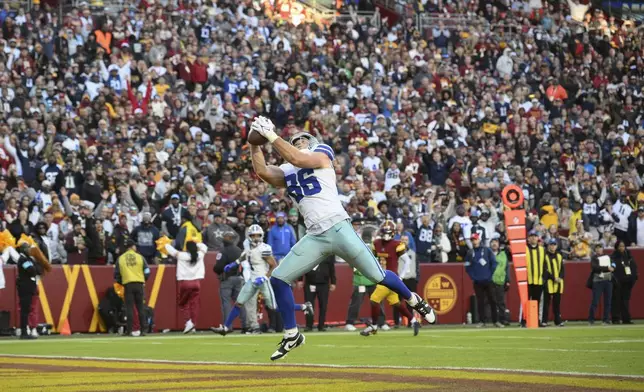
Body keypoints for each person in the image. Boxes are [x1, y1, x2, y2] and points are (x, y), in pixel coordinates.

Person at [250, 117, 435, 360]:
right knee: (278, 279)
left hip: (338, 226)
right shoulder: (287, 169)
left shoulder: (321, 152)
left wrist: (272, 136)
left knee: (376, 275)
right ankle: (292, 334)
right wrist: (255, 142)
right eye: (294, 140)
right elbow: (263, 171)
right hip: (315, 235)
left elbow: (298, 158)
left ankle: (413, 299)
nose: (298, 142)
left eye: (302, 139)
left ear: (313, 141)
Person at [212, 225, 313, 335]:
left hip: (263, 280)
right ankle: (225, 327)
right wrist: (234, 263)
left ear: (262, 236)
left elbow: (274, 265)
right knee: (239, 303)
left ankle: (304, 306)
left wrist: (264, 277)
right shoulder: (247, 244)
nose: (255, 237)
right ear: (249, 236)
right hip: (252, 279)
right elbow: (245, 255)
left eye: (258, 235)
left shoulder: (264, 248)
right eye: (253, 235)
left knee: (274, 307)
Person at [360, 220, 420, 337]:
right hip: (383, 277)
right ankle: (413, 321)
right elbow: (373, 258)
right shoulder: (376, 243)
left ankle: (374, 326)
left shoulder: (396, 244)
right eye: (384, 232)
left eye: (388, 232)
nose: (386, 235)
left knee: (374, 300)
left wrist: (401, 277)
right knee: (396, 303)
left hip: (389, 278)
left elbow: (407, 261)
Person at [165, 240, 207, 334]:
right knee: (194, 304)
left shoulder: (181, 255)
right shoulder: (200, 255)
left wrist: (167, 243)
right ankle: (193, 324)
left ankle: (188, 322)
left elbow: (170, 250)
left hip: (185, 282)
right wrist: (197, 243)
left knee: (183, 303)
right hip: (197, 283)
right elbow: (204, 247)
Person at [114, 239, 150, 336]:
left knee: (129, 308)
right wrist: (144, 279)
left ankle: (129, 330)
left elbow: (116, 275)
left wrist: (123, 282)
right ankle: (143, 330)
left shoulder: (120, 258)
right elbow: (147, 270)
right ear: (132, 247)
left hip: (128, 284)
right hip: (139, 284)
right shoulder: (140, 257)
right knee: (141, 308)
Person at [465, 233, 502, 328]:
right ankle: (482, 321)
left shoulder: (487, 250)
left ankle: (496, 320)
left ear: (479, 240)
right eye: (472, 240)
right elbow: (467, 267)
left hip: (488, 280)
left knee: (493, 300)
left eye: (475, 239)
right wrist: (473, 277)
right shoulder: (470, 252)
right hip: (477, 282)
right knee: (480, 302)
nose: (474, 241)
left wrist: (490, 274)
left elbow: (494, 263)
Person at [212, 232, 246, 331]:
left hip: (227, 279)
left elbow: (218, 267)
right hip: (238, 278)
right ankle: (246, 325)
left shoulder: (223, 251)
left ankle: (227, 326)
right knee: (240, 302)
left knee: (226, 303)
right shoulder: (239, 250)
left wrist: (216, 270)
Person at [299, 254, 336, 332]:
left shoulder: (328, 254)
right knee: (308, 305)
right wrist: (300, 279)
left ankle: (321, 325)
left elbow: (331, 268)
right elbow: (302, 266)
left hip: (324, 284)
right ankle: (309, 325)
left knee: (323, 305)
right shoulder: (308, 254)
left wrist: (333, 282)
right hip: (309, 283)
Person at [610, 241, 638, 324]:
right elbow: (612, 268)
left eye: (623, 246)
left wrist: (633, 278)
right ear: (616, 247)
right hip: (617, 282)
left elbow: (634, 268)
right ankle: (616, 318)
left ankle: (626, 318)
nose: (621, 248)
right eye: (620, 246)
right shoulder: (613, 257)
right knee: (616, 300)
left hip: (628, 282)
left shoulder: (629, 256)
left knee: (625, 301)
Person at [523, 230, 545, 327]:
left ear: (538, 238)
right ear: (528, 238)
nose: (533, 238)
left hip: (539, 280)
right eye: (531, 236)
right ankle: (524, 320)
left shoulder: (542, 249)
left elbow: (545, 265)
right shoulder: (524, 249)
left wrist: (544, 278)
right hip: (527, 280)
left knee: (537, 302)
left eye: (535, 236)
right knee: (525, 301)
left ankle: (536, 320)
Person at [588, 243, 614, 325]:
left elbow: (613, 263)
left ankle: (606, 319)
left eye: (600, 248)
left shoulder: (608, 256)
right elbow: (595, 267)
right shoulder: (594, 258)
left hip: (608, 280)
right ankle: (591, 319)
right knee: (595, 301)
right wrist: (607, 268)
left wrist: (613, 267)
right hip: (598, 281)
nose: (598, 249)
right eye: (597, 248)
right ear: (595, 250)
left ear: (603, 249)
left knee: (608, 301)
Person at [543, 238, 565, 327]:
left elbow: (562, 269)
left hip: (558, 283)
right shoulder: (545, 256)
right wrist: (553, 278)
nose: (552, 246)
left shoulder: (559, 256)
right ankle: (544, 320)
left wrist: (560, 277)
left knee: (557, 303)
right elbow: (545, 269)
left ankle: (558, 320)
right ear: (548, 246)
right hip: (548, 282)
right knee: (546, 303)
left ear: (556, 246)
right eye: (551, 244)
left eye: (554, 244)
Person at [490, 237, 510, 326]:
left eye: (496, 242)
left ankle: (502, 319)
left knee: (501, 302)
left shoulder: (503, 254)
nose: (494, 244)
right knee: (491, 301)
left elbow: (507, 268)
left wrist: (508, 280)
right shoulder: (488, 254)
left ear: (498, 245)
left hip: (500, 280)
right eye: (492, 242)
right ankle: (492, 319)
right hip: (490, 281)